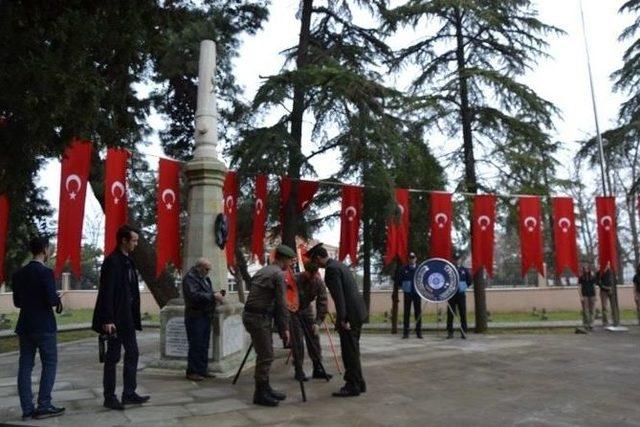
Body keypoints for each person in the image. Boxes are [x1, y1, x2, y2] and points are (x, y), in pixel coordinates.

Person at [92, 225, 150, 410]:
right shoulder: (112, 261)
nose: (136, 243)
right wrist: (108, 319)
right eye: (133, 240)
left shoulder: (128, 261)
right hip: (115, 319)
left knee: (132, 353)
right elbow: (107, 292)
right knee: (112, 358)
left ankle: (129, 393)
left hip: (128, 318)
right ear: (123, 240)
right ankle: (109, 397)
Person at [12, 237, 65, 420]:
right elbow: (51, 300)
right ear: (44, 249)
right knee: (49, 364)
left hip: (25, 325)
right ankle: (44, 405)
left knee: (25, 367)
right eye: (49, 248)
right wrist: (58, 298)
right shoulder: (46, 273)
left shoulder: (19, 274)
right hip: (44, 325)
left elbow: (17, 302)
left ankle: (27, 409)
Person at [307, 243, 367, 398]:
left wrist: (343, 319)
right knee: (354, 350)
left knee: (349, 352)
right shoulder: (340, 265)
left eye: (314, 260)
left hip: (350, 316)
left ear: (319, 258)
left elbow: (339, 298)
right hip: (358, 312)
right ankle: (359, 383)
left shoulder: (332, 271)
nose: (315, 264)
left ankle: (352, 385)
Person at [242, 244, 294, 407]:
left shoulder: (264, 270)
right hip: (258, 317)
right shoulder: (278, 274)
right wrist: (284, 328)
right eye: (290, 261)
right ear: (283, 259)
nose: (291, 264)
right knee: (266, 355)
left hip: (254, 315)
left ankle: (266, 388)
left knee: (267, 352)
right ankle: (260, 393)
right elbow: (281, 304)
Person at [182, 258, 224, 381]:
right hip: (195, 317)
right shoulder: (190, 278)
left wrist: (215, 294)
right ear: (199, 267)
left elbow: (207, 292)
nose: (208, 271)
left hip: (205, 315)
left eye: (209, 269)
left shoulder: (205, 278)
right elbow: (193, 296)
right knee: (196, 344)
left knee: (204, 345)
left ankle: (202, 369)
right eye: (206, 269)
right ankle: (192, 372)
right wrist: (212, 296)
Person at [290, 261, 332, 381]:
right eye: (310, 273)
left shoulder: (318, 281)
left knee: (314, 337)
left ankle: (317, 368)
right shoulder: (295, 279)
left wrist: (318, 322)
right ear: (305, 271)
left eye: (314, 274)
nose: (312, 276)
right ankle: (298, 370)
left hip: (306, 309)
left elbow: (322, 302)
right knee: (297, 340)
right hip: (294, 311)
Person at [447, 251, 472, 339]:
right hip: (451, 295)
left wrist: (463, 286)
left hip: (461, 295)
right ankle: (450, 332)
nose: (457, 261)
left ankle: (464, 332)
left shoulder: (464, 270)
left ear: (461, 260)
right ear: (453, 260)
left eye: (458, 259)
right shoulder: (450, 269)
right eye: (455, 259)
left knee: (462, 313)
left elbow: (469, 280)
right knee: (451, 314)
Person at [399, 252, 421, 339]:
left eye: (413, 258)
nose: (412, 259)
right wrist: (404, 287)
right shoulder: (404, 268)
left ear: (416, 259)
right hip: (407, 293)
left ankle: (418, 332)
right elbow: (400, 280)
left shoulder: (419, 268)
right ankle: (406, 332)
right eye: (410, 258)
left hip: (417, 293)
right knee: (406, 313)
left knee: (418, 313)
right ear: (408, 259)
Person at [578, 264, 597, 330]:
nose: (586, 270)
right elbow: (579, 287)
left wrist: (596, 295)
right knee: (585, 310)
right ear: (583, 270)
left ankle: (591, 324)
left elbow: (594, 286)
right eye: (585, 269)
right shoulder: (581, 277)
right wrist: (581, 296)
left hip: (592, 295)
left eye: (587, 269)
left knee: (592, 310)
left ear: (589, 269)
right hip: (584, 295)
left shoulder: (592, 277)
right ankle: (586, 324)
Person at [597, 261, 615, 327]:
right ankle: (605, 321)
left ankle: (614, 319)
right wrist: (605, 287)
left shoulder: (611, 271)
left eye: (608, 264)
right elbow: (598, 282)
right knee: (604, 306)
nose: (607, 265)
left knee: (613, 305)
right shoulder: (600, 272)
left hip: (611, 290)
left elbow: (614, 280)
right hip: (603, 291)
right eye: (606, 264)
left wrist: (611, 287)